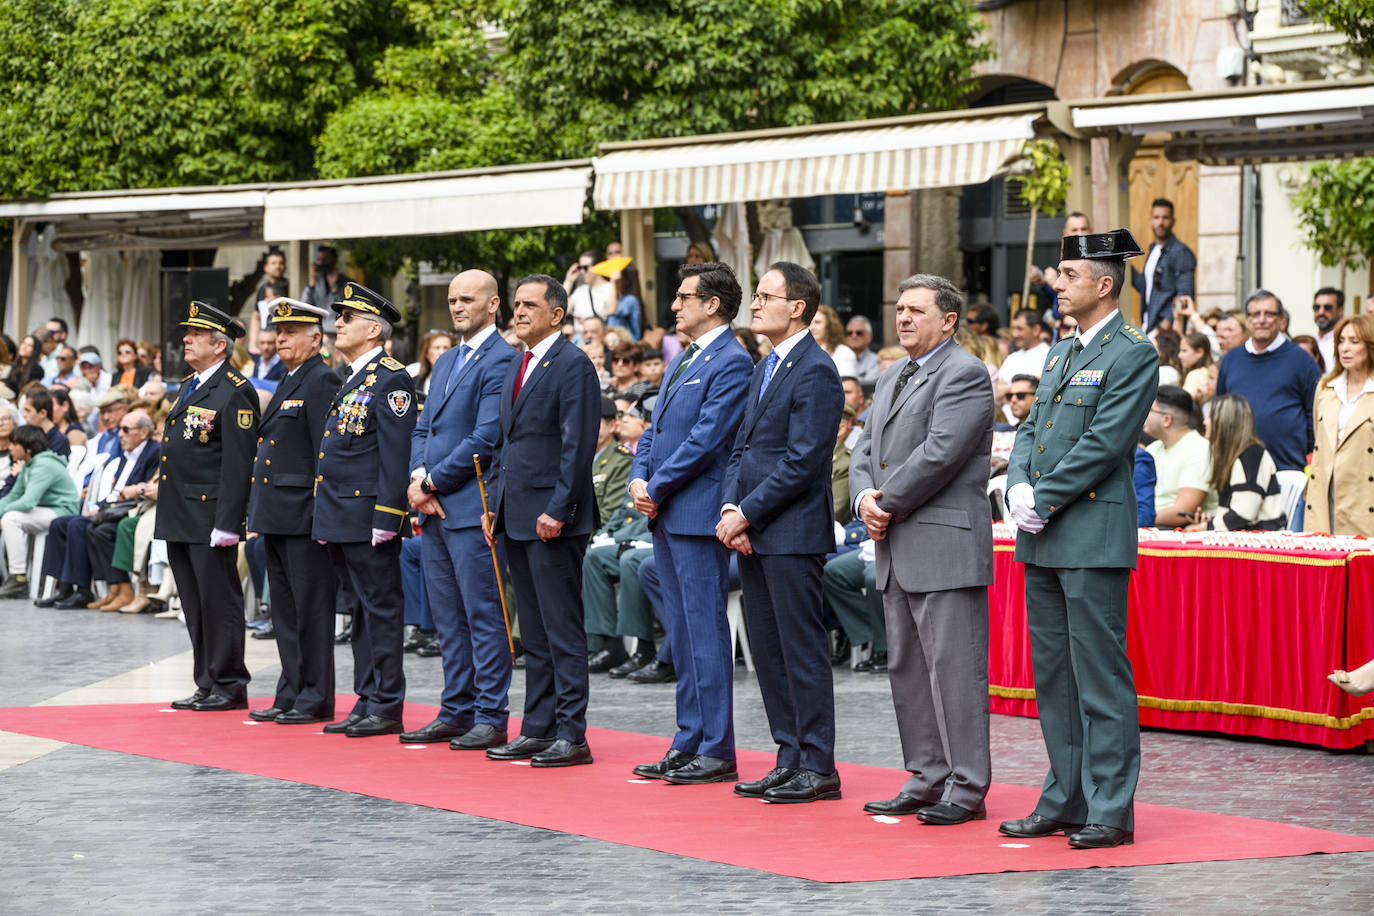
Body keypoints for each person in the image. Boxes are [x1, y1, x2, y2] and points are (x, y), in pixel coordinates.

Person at [1001, 228, 1158, 849]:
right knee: (1055, 676)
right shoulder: (1063, 351)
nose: (1056, 284)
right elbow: (1031, 426)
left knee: (1099, 675)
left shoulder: (1132, 352)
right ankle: (1064, 796)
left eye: (1067, 276)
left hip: (1089, 530)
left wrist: (1043, 495)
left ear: (1104, 284)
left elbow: (1107, 441)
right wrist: (1015, 484)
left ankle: (1110, 807)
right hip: (1043, 533)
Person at [850, 273, 994, 826]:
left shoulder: (964, 373)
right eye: (900, 308)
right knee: (908, 670)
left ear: (949, 320)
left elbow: (942, 454)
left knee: (955, 671)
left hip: (942, 541)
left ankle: (967, 785)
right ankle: (926, 775)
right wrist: (864, 494)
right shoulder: (890, 375)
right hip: (896, 540)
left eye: (916, 310)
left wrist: (885, 503)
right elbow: (863, 446)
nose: (903, 317)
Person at [718, 261, 845, 803]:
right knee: (768, 653)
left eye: (766, 295)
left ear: (797, 307)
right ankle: (787, 755)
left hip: (790, 532)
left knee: (800, 651)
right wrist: (731, 507)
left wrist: (745, 513)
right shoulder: (763, 366)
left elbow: (803, 461)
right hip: (753, 527)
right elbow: (741, 448)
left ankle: (818, 765)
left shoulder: (816, 370)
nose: (754, 303)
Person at [627, 260, 753, 786]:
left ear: (713, 305)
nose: (674, 305)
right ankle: (688, 738)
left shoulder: (731, 360)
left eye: (684, 297)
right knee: (681, 633)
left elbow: (707, 439)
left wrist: (655, 486)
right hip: (668, 510)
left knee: (705, 633)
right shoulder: (684, 358)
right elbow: (655, 430)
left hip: (697, 513)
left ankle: (716, 745)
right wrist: (638, 475)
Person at [483, 273, 600, 767]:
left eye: (529, 305)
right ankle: (538, 725)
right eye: (516, 305)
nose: (518, 312)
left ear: (557, 314)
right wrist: (497, 503)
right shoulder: (520, 363)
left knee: (562, 629)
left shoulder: (572, 365)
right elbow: (509, 445)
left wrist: (559, 508)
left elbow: (577, 446)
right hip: (516, 513)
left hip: (554, 518)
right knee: (532, 630)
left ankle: (572, 734)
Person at [404, 270, 518, 749]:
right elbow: (422, 428)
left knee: (483, 614)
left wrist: (431, 480)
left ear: (493, 305)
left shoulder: (504, 359)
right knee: (447, 615)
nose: (456, 307)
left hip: (473, 505)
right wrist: (416, 479)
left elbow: (486, 437)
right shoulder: (447, 359)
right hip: (434, 508)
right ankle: (456, 708)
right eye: (451, 299)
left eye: (467, 299)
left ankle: (490, 714)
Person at [313, 282, 416, 738]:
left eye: (347, 318)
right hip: (341, 514)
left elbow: (395, 455)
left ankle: (387, 702)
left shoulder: (390, 377)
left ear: (374, 329)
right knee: (358, 610)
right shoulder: (352, 377)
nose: (338, 324)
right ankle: (366, 696)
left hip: (366, 516)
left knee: (381, 609)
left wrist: (388, 517)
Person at [242, 299, 342, 725]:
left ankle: (315, 694)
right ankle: (291, 687)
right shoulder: (290, 378)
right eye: (277, 331)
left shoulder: (321, 380)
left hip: (304, 515)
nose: (279, 338)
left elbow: (326, 453)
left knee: (311, 609)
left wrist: (322, 515)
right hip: (278, 513)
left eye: (290, 332)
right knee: (284, 609)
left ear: (315, 338)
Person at [156, 301, 259, 711]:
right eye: (188, 333)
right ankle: (206, 679)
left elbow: (238, 464)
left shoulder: (234, 390)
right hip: (181, 514)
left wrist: (229, 521)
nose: (186, 339)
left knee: (220, 601)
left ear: (220, 345)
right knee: (195, 605)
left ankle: (230, 682)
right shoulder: (191, 385)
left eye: (195, 335)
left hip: (210, 515)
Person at [1216, 290, 1321, 473]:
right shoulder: (1230, 360)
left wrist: (1307, 453)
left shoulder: (1302, 361)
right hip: (1237, 468)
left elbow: (1315, 412)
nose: (1262, 320)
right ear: (1247, 321)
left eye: (1269, 314)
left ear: (1281, 320)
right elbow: (1221, 410)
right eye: (1255, 314)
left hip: (1287, 468)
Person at [1306, 313, 1374, 537]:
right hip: (1326, 497)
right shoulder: (1325, 389)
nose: (1345, 348)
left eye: (1355, 342)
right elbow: (1321, 441)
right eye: (1341, 341)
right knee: (1326, 565)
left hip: (1365, 497)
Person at [0, 425, 81, 598]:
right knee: (8, 515)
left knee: (11, 518)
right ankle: (18, 576)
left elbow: (28, 502)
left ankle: (18, 578)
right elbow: (14, 496)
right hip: (46, 509)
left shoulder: (43, 465)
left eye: (15, 444)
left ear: (28, 448)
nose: (10, 447)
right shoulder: (29, 464)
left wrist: (3, 511)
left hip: (62, 511)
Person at [1183, 394, 1284, 531]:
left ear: (1225, 422)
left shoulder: (1251, 455)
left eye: (1210, 417)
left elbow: (1243, 515)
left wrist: (1206, 526)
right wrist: (1210, 520)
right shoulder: (1233, 456)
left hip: (1260, 542)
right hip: (1241, 536)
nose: (1205, 422)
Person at [1143, 385, 1215, 527]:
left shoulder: (1199, 449)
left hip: (1175, 532)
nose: (1143, 414)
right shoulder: (1153, 449)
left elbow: (1183, 512)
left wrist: (1135, 518)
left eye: (1149, 410)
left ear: (1167, 419)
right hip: (1149, 525)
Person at [1130, 198, 1196, 333]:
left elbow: (1184, 296)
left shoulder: (1180, 252)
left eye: (1165, 218)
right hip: (1148, 326)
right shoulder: (1153, 249)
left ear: (1173, 221)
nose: (1160, 222)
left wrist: (1162, 329)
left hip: (1167, 335)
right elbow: (1145, 286)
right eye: (1156, 217)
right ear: (1150, 220)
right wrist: (1122, 264)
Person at [809, 304, 859, 379]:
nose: (812, 327)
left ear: (829, 326)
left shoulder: (844, 353)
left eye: (817, 322)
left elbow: (847, 386)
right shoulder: (803, 351)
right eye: (809, 323)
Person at [406, 329, 455, 404]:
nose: (441, 352)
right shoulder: (413, 383)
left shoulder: (457, 382)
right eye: (437, 348)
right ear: (426, 353)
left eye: (446, 348)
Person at [564, 250, 610, 323]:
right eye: (580, 268)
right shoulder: (580, 290)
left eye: (585, 267)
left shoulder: (611, 289)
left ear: (598, 267)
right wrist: (569, 281)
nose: (582, 272)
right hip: (579, 334)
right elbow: (560, 309)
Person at [22, 389, 70, 458]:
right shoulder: (29, 435)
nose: (23, 414)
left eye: (28, 410)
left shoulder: (60, 441)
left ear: (42, 413)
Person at [607, 265, 647, 342]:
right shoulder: (620, 299)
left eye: (618, 278)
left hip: (627, 341)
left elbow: (612, 311)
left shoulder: (630, 300)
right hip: (617, 341)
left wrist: (613, 283)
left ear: (626, 280)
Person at [301, 245, 345, 310]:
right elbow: (304, 305)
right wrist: (311, 283)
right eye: (319, 259)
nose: (321, 263)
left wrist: (334, 288)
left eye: (325, 259)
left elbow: (342, 308)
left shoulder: (345, 282)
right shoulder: (315, 282)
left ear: (334, 260)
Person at [1312, 287, 1344, 373]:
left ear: (1340, 311)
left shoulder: (1344, 343)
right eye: (1316, 307)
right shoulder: (1310, 341)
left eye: (1327, 307)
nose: (1321, 312)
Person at [846, 316, 882, 386]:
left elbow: (867, 387)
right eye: (850, 333)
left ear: (870, 336)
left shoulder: (876, 361)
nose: (854, 336)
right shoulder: (840, 358)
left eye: (859, 333)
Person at [1178, 332, 1213, 402]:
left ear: (1199, 352)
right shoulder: (1208, 372)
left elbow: (1183, 403)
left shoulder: (1195, 375)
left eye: (1184, 351)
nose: (1179, 355)